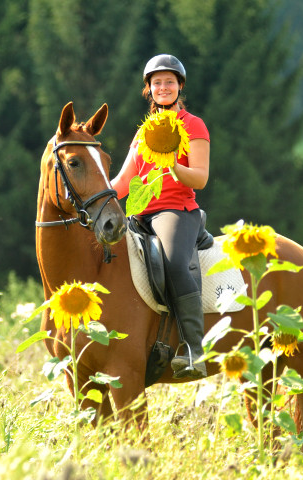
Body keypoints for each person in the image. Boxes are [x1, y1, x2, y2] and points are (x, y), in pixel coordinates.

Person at [111, 54, 210, 379]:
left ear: (180, 86)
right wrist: (92, 198)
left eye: (169, 81)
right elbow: (123, 184)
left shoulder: (193, 125)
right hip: (140, 215)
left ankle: (195, 351)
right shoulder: (143, 134)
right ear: (149, 90)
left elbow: (200, 178)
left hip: (177, 211)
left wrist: (172, 165)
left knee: (175, 262)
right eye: (157, 83)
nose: (163, 87)